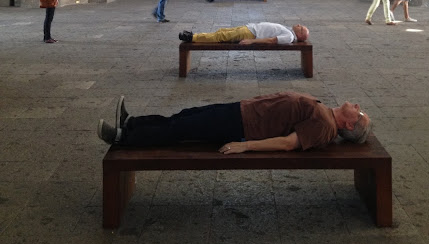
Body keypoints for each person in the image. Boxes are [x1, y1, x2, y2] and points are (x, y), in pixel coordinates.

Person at [97, 92, 372, 151]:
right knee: (183, 116)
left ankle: (123, 138)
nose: (357, 107)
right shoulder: (326, 114)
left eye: (359, 114)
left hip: (242, 125)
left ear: (349, 126)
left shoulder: (325, 128)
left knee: (180, 129)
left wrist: (245, 146)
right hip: (243, 110)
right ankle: (132, 123)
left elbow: (288, 143)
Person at [179, 22, 309, 44]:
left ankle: (192, 37)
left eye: (301, 27)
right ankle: (197, 36)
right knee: (222, 31)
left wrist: (252, 41)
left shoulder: (289, 36)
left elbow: (271, 40)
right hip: (250, 28)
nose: (299, 25)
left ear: (300, 35)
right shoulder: (289, 31)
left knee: (221, 36)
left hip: (250, 34)